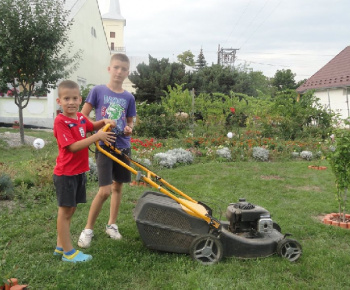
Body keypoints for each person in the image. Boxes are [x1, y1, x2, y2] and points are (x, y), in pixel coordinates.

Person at [53, 80, 116, 263]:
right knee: (65, 212)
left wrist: (103, 122)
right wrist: (97, 137)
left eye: (74, 98)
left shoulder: (80, 118)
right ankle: (69, 253)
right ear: (59, 101)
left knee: (70, 210)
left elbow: (91, 126)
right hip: (65, 174)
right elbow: (72, 147)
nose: (71, 102)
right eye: (66, 99)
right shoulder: (61, 121)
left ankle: (60, 246)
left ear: (80, 99)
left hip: (78, 172)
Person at [78, 53, 136, 248]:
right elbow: (82, 118)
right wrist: (94, 131)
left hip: (123, 147)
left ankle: (111, 225)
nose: (119, 72)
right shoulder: (98, 91)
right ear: (109, 69)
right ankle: (88, 229)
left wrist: (129, 129)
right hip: (104, 146)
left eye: (124, 69)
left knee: (118, 187)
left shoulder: (129, 97)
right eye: (116, 67)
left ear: (128, 72)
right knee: (104, 190)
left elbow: (129, 121)